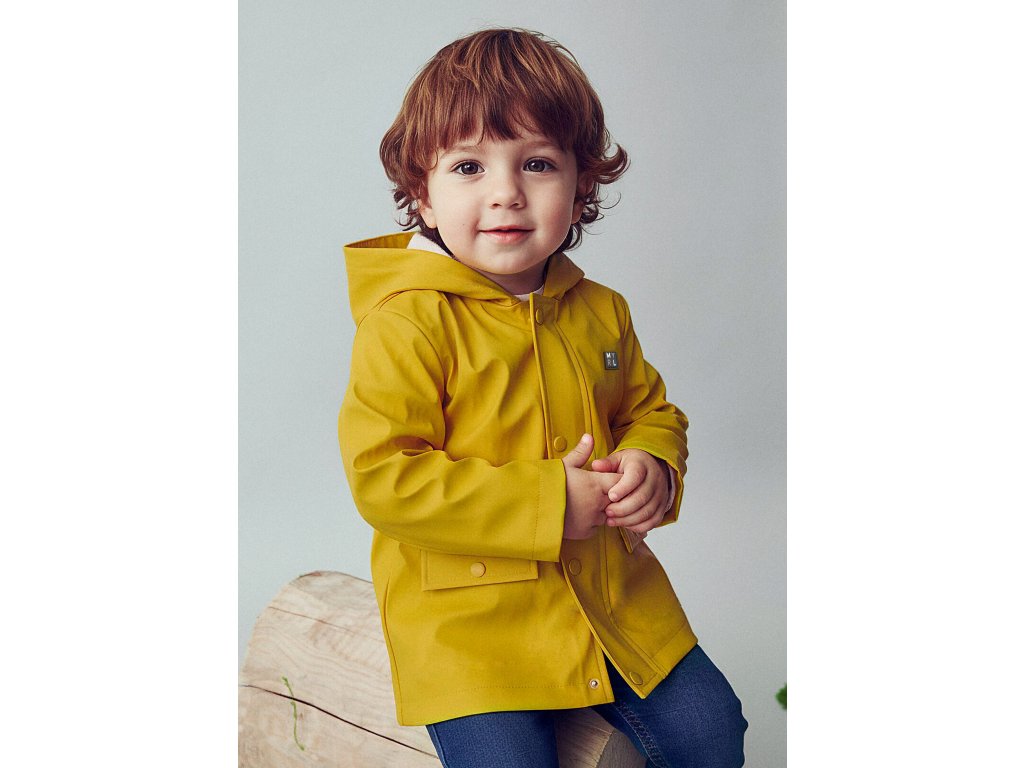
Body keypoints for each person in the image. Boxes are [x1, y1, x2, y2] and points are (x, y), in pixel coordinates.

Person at [339, 28, 747, 768]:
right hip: (471, 625)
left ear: (581, 186)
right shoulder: (407, 322)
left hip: (611, 599)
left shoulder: (601, 310)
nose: (506, 192)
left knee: (713, 729)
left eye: (537, 163)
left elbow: (650, 412)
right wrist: (549, 502)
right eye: (469, 166)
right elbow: (385, 476)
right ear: (422, 195)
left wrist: (651, 463)